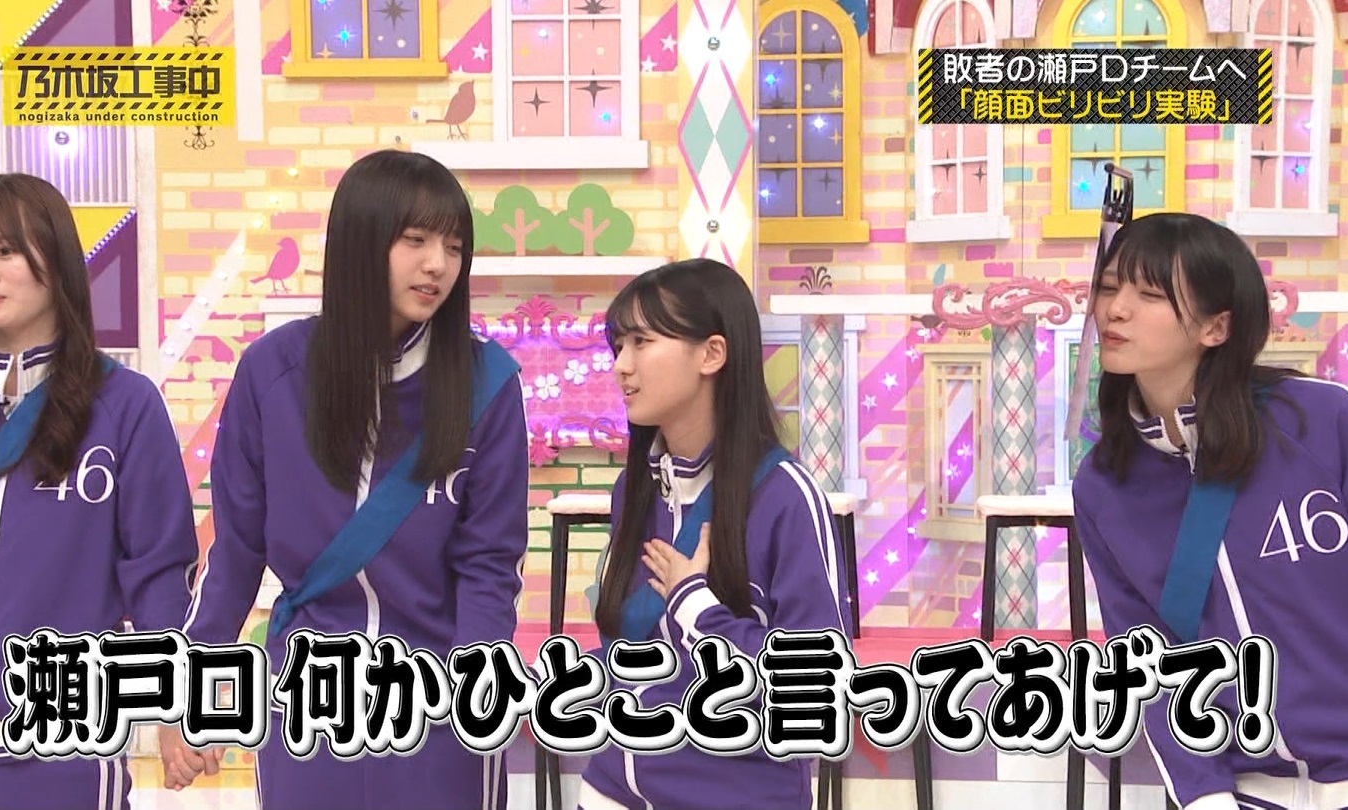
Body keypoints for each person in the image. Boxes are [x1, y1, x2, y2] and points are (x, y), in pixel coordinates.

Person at [165, 149, 530, 809]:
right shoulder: (272, 372)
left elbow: (490, 566)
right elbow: (235, 550)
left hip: (441, 704)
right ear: (361, 241)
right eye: (415, 240)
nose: (438, 264)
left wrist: (478, 694)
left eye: (453, 247)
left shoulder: (489, 384)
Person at [0, 173, 199, 810]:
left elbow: (157, 570)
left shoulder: (124, 406)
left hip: (59, 751)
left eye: (5, 251)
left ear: (55, 258)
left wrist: (177, 707)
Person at [1071, 213, 1348, 810]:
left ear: (1216, 326)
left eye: (1150, 294)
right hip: (1245, 797)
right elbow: (1145, 661)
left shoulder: (1325, 420)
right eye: (1110, 287)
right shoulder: (1102, 484)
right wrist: (1204, 796)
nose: (1115, 310)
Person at [577, 258, 852, 810]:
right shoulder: (633, 490)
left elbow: (818, 694)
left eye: (641, 342)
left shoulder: (784, 497)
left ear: (712, 353)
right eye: (618, 346)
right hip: (611, 791)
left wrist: (698, 609)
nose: (621, 365)